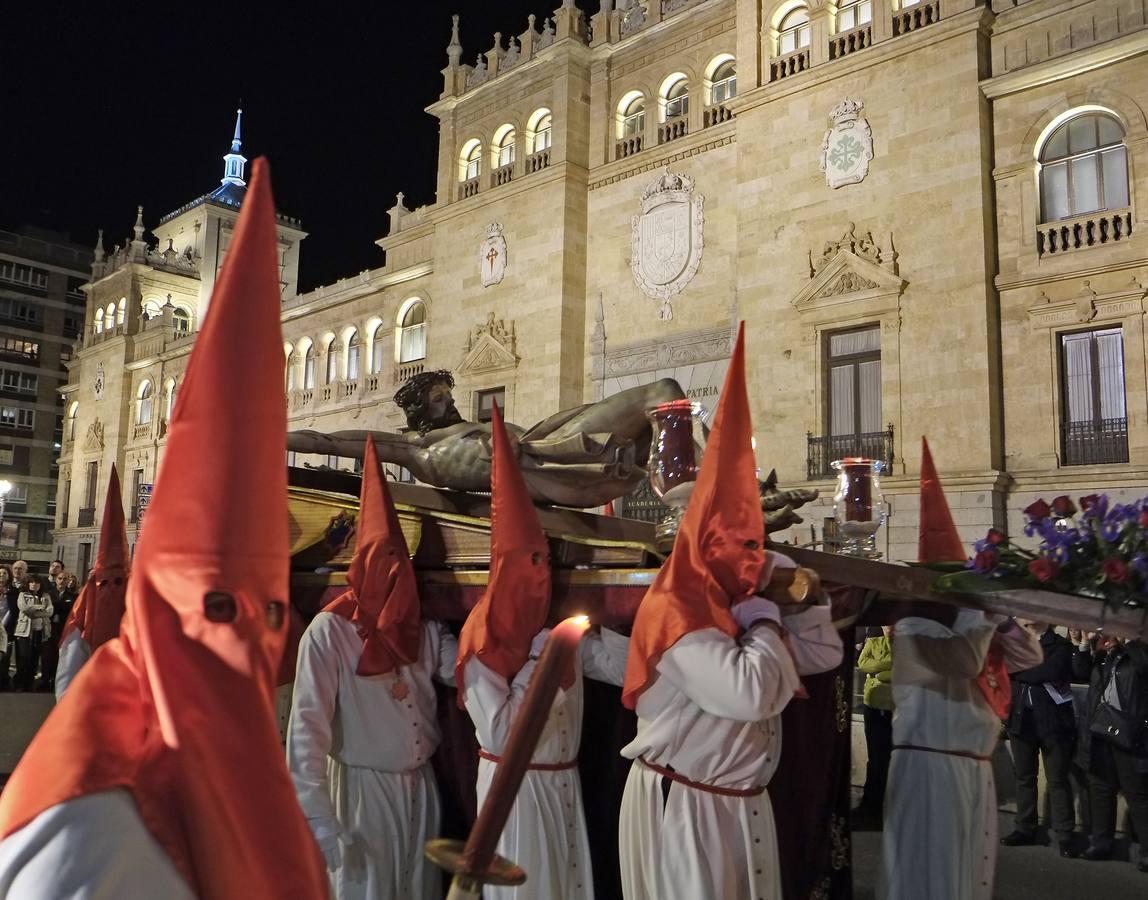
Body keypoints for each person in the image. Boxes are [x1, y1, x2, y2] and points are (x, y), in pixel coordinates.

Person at [0, 158, 329, 899]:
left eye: (267, 612)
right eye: (217, 607)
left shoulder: (232, 752)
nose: (247, 636)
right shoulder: (91, 810)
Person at [617, 326, 843, 900]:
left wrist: (806, 598)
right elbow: (747, 692)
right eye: (743, 544)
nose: (755, 555)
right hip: (688, 810)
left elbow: (822, 655)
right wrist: (766, 609)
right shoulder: (679, 607)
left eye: (756, 542)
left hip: (741, 805)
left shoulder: (736, 601)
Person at [456, 401, 629, 900]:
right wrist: (542, 659)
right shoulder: (482, 640)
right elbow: (504, 732)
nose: (539, 576)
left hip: (563, 784)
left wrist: (614, 623)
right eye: (529, 563)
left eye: (544, 563)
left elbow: (622, 670)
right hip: (516, 795)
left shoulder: (557, 627)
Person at [288, 438, 458, 900]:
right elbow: (306, 729)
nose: (393, 579)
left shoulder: (423, 630)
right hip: (362, 795)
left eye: (399, 567)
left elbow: (460, 672)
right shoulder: (329, 632)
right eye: (381, 566)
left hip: (420, 789)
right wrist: (317, 815)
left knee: (417, 888)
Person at [880, 438, 1042, 900]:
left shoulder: (974, 625)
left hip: (973, 767)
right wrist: (983, 614)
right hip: (929, 766)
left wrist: (1004, 616)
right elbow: (963, 662)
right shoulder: (914, 624)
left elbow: (1030, 658)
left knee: (968, 878)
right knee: (927, 875)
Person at [287, 369, 688, 508]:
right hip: (548, 469)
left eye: (448, 395)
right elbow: (326, 441)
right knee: (661, 390)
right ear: (419, 409)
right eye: (437, 399)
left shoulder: (457, 430)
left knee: (665, 398)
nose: (449, 402)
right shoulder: (414, 447)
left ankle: (685, 491)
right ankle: (682, 500)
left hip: (555, 448)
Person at [1000, 619, 1079, 857]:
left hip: (1053, 722)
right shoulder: (1015, 641)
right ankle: (1025, 828)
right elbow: (1006, 668)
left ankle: (1064, 834)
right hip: (1021, 720)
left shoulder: (1059, 644)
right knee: (1024, 777)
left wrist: (1021, 670)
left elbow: (1051, 671)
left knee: (1057, 779)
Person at [1072, 632, 1148, 872]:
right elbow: (1079, 672)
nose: (1108, 635)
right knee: (1100, 790)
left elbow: (1144, 666)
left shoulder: (1138, 655)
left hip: (1129, 734)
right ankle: (1101, 843)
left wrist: (1129, 639)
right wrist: (1084, 642)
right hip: (1099, 732)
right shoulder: (1104, 656)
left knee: (1137, 794)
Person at [54, 465, 130, 701]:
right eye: (105, 582)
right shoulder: (82, 615)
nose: (111, 588)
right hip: (92, 702)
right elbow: (68, 672)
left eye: (119, 581)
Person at [854, 625, 893, 826]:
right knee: (876, 758)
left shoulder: (902, 640)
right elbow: (863, 663)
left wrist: (880, 670)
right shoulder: (874, 634)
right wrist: (888, 668)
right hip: (872, 704)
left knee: (889, 760)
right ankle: (871, 808)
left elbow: (904, 668)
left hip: (894, 707)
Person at [12, 573, 51, 693]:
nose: (34, 585)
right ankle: (19, 684)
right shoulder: (23, 595)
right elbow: (25, 609)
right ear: (28, 583)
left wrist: (35, 610)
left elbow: (49, 611)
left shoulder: (45, 596)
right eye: (32, 582)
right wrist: (40, 608)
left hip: (39, 632)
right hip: (24, 632)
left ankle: (29, 685)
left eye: (37, 582)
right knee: (23, 658)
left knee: (34, 659)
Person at [0, 564, 14, 691]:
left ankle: (4, 682)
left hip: (6, 629)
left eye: (4, 573)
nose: (1, 576)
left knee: (4, 657)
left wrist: (3, 625)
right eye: (0, 574)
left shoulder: (12, 592)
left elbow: (12, 610)